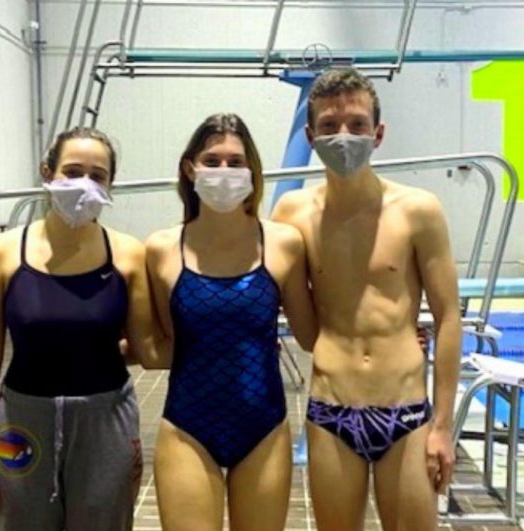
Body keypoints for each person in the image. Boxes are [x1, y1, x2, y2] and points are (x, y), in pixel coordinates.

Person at [271, 67, 462, 531]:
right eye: (330, 126)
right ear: (310, 136)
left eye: (357, 125)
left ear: (378, 134)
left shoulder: (418, 211)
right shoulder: (292, 214)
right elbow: (287, 309)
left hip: (407, 412)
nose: (344, 135)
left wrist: (441, 426)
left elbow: (449, 316)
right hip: (331, 408)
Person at [0, 127, 160, 530]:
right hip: (22, 421)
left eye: (97, 175)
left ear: (110, 185)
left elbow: (145, 346)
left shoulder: (127, 255)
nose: (84, 184)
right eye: (72, 172)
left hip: (104, 422)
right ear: (48, 173)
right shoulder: (0, 256)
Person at [142, 113, 318, 531]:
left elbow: (313, 336)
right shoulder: (162, 249)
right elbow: (163, 345)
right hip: (187, 425)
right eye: (213, 160)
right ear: (190, 168)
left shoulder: (283, 244)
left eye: (236, 162)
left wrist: (397, 334)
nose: (224, 171)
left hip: (264, 427)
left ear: (252, 171)